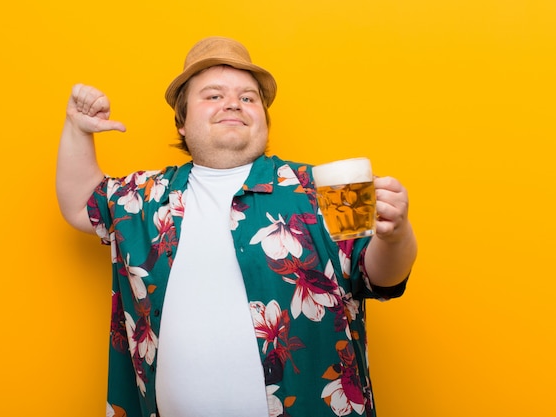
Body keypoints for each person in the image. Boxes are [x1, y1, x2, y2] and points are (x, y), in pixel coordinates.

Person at [56, 36, 417, 417]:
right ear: (181, 122)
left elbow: (380, 277)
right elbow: (82, 203)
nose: (233, 103)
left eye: (248, 98)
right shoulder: (145, 198)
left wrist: (395, 235)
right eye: (212, 96)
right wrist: (77, 129)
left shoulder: (319, 189)